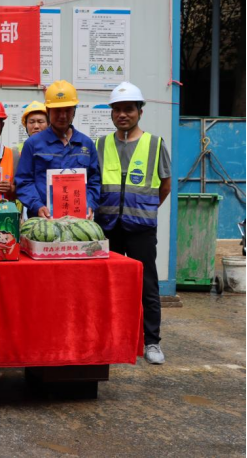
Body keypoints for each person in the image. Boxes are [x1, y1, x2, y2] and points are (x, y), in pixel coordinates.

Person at [96, 82, 172, 365]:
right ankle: (111, 339)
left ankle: (151, 342)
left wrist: (146, 209)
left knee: (147, 285)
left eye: (128, 109)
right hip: (108, 226)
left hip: (141, 228)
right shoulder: (101, 144)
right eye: (117, 109)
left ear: (140, 111)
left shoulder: (155, 144)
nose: (122, 114)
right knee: (109, 286)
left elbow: (165, 185)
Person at [15, 80, 101, 219]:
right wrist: (37, 206)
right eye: (57, 110)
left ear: (74, 111)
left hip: (78, 219)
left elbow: (94, 181)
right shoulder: (33, 144)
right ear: (48, 111)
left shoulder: (86, 144)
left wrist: (90, 204)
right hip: (43, 221)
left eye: (67, 110)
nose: (63, 116)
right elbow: (24, 181)